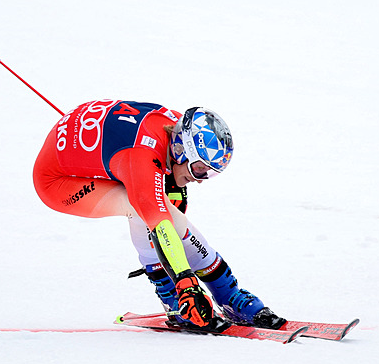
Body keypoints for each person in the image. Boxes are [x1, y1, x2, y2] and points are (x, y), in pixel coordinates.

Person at [33, 99, 286, 330]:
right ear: (181, 150)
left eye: (209, 174)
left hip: (93, 141)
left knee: (159, 205)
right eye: (199, 169)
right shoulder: (141, 158)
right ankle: (177, 300)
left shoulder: (176, 129)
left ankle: (228, 295)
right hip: (58, 182)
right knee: (142, 208)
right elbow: (161, 225)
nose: (200, 180)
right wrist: (185, 282)